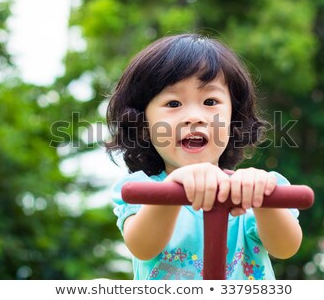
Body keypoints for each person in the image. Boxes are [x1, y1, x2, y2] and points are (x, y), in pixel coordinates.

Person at [106, 33, 302, 280]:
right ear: (143, 125)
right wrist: (174, 187)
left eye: (210, 101)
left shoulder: (252, 190)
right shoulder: (141, 190)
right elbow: (143, 247)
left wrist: (262, 200)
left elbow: (286, 248)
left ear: (234, 120)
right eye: (174, 104)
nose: (195, 116)